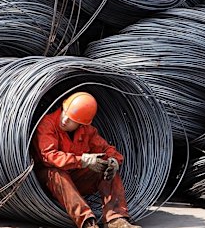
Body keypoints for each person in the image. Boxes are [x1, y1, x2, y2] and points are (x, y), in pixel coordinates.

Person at [32, 92, 141, 228]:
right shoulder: (47, 124)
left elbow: (107, 149)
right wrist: (82, 160)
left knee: (107, 169)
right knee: (56, 173)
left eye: (72, 120)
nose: (65, 119)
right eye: (64, 113)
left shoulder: (87, 131)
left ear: (81, 124)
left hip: (73, 180)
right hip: (48, 182)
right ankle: (87, 223)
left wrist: (114, 161)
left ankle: (115, 220)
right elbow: (48, 156)